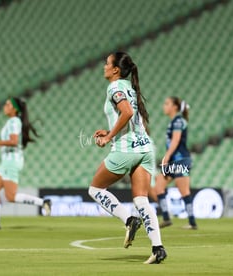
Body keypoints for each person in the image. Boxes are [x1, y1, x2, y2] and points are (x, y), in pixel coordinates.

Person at [89, 52, 167, 264]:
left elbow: (127, 113)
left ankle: (129, 219)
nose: (104, 66)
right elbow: (128, 118)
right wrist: (108, 131)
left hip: (127, 149)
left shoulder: (114, 87)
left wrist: (109, 138)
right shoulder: (128, 88)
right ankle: (158, 248)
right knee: (141, 199)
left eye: (107, 63)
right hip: (145, 147)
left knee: (95, 189)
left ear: (115, 70)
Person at [0, 97, 51, 230]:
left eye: (8, 104)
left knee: (10, 196)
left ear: (14, 109)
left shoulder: (14, 122)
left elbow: (14, 141)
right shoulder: (11, 121)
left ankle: (44, 202)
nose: (5, 105)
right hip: (6, 161)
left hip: (12, 161)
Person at [152, 97, 197, 230]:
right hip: (174, 161)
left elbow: (176, 140)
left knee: (183, 190)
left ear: (175, 107)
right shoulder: (173, 121)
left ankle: (192, 222)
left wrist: (166, 157)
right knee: (158, 185)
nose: (164, 106)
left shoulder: (178, 121)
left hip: (181, 160)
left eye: (167, 104)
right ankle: (166, 218)